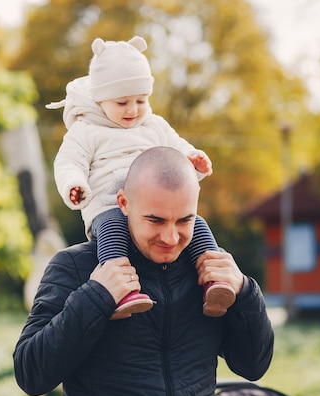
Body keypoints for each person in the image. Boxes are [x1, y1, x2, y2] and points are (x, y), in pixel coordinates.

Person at [13, 146, 275, 396]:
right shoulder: (75, 267)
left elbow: (253, 367)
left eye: (185, 220)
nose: (171, 237)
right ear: (124, 203)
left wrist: (245, 292)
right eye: (155, 220)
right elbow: (30, 375)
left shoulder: (212, 273)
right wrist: (95, 298)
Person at [47, 36, 235, 319]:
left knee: (196, 225)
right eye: (122, 102)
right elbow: (68, 161)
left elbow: (177, 147)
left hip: (155, 205)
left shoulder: (154, 124)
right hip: (107, 206)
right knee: (113, 230)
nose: (133, 110)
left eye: (141, 100)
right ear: (100, 99)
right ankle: (122, 291)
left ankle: (214, 282)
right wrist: (75, 184)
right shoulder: (86, 130)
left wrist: (192, 158)